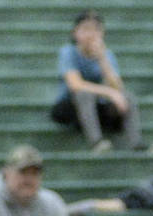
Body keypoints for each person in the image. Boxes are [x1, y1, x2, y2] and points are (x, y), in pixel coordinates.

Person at [51, 9, 146, 150]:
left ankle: (137, 144)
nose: (91, 34)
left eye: (96, 29)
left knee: (128, 97)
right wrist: (109, 93)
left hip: (98, 108)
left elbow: (118, 88)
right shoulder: (68, 52)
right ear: (75, 32)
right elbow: (75, 85)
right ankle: (97, 142)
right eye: (86, 29)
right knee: (85, 94)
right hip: (71, 108)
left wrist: (102, 59)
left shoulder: (107, 55)